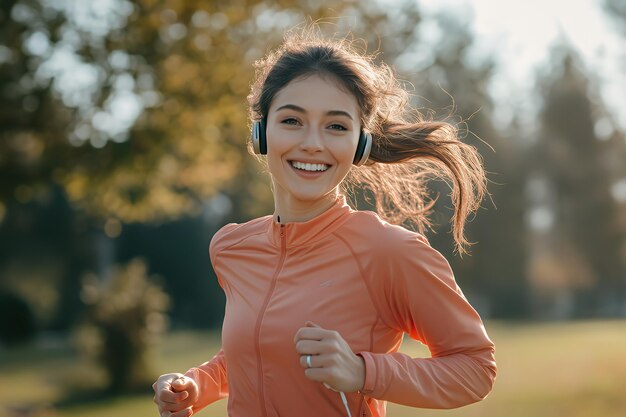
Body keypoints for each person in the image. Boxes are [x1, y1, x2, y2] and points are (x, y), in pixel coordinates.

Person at [153, 27, 496, 417]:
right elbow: (259, 351)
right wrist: (196, 385)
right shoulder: (232, 248)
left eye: (336, 126)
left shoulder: (388, 252)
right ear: (261, 132)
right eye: (292, 121)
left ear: (359, 144)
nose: (313, 143)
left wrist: (363, 371)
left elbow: (475, 367)